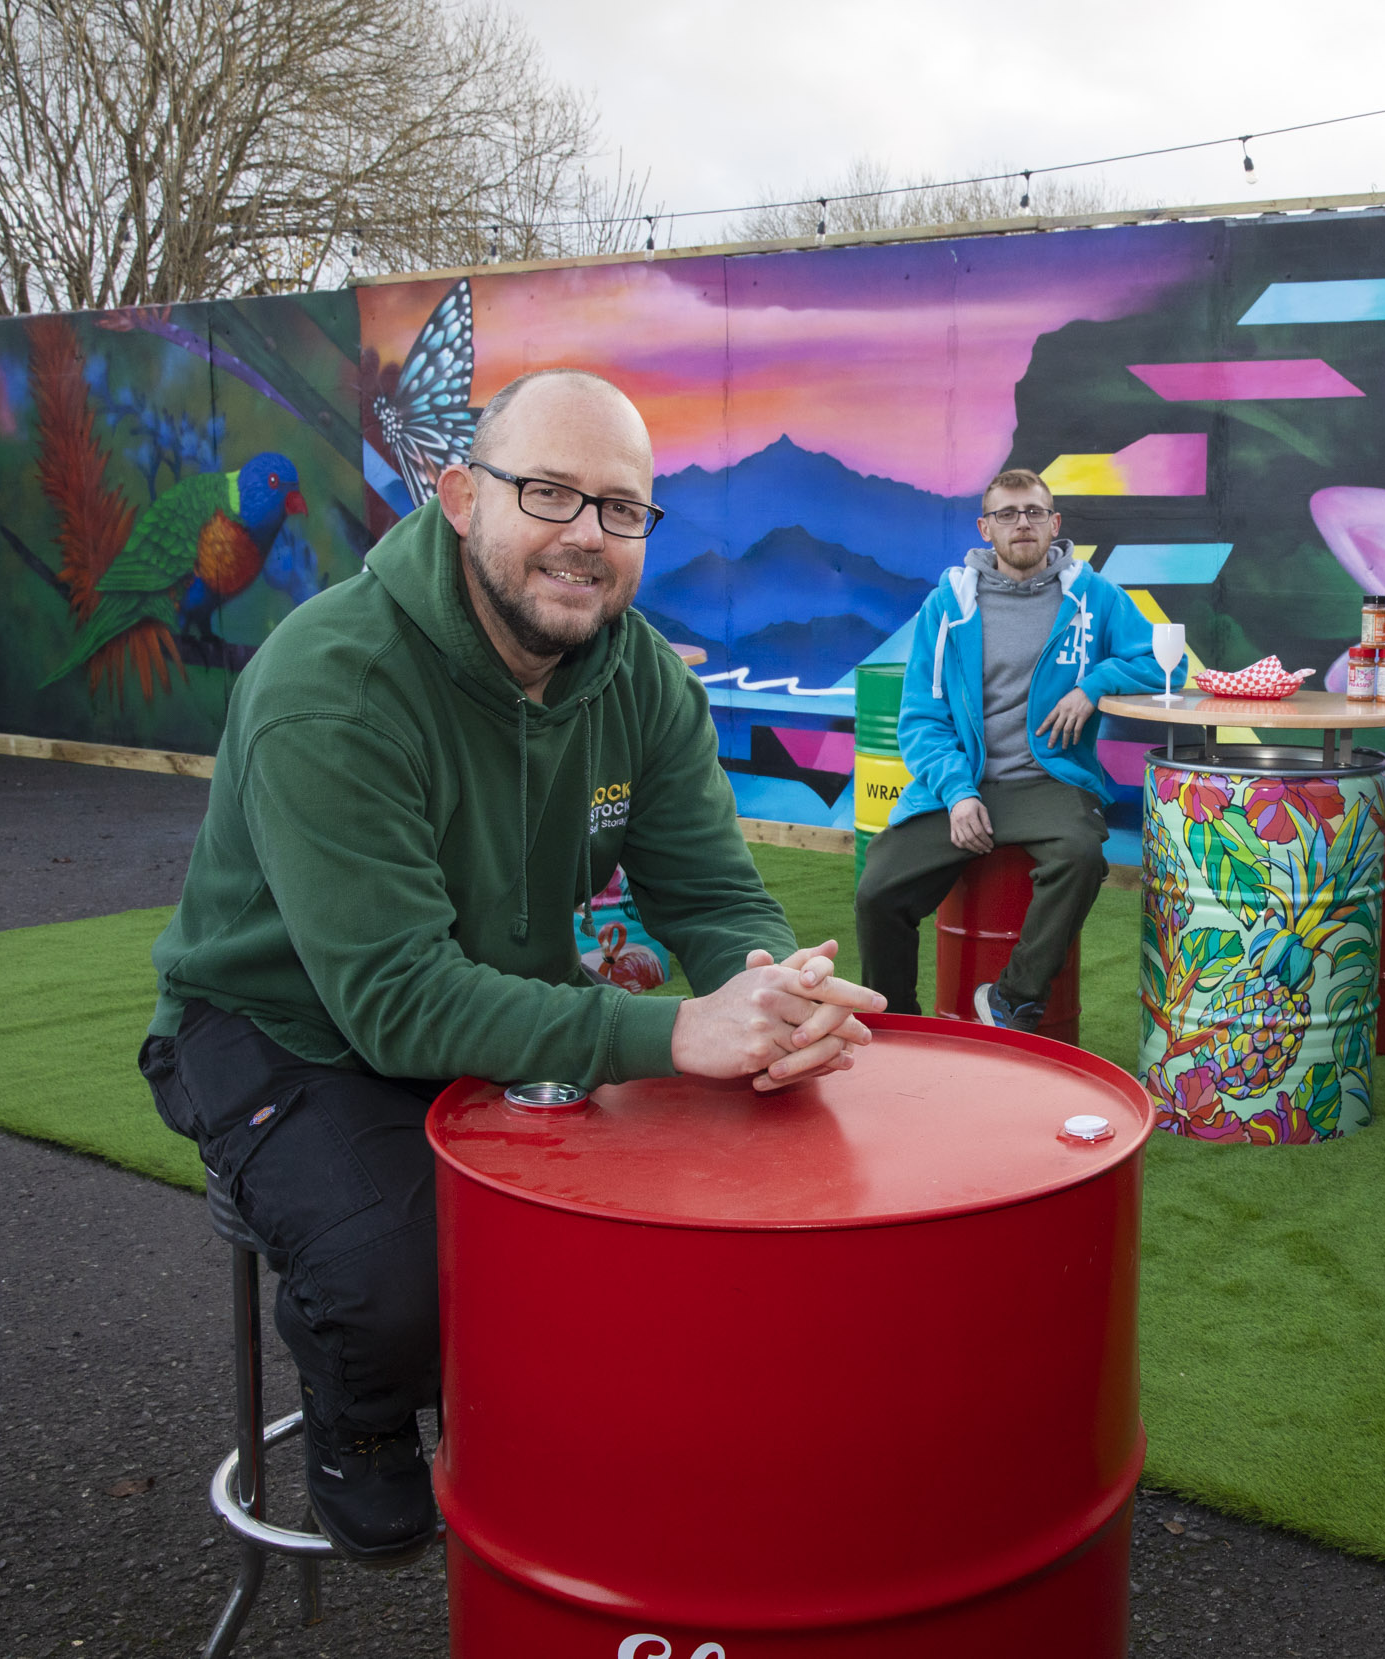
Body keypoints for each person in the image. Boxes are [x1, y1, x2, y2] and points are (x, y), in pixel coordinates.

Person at [137, 369, 885, 1563]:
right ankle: (363, 1415)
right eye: (548, 493)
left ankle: (590, 1429)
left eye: (621, 508)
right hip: (279, 1023)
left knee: (686, 1209)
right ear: (457, 497)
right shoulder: (329, 680)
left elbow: (704, 888)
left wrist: (765, 987)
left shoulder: (638, 674)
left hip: (489, 995)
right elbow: (390, 1002)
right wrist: (679, 1034)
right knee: (403, 1284)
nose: (586, 537)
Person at [854, 468, 1169, 1030]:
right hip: (965, 780)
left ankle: (1012, 998)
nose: (1021, 523)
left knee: (1081, 857)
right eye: (1007, 514)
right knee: (879, 889)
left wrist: (1092, 686)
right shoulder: (947, 605)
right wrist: (956, 793)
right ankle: (894, 1024)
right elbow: (922, 719)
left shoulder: (1095, 597)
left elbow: (1162, 663)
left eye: (1033, 512)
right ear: (985, 527)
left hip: (1049, 778)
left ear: (1055, 524)